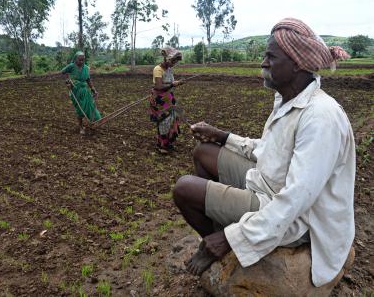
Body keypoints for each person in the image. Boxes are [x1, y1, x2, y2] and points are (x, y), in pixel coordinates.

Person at [173, 17, 355, 288]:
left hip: (294, 216)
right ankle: (221, 231)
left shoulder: (321, 118)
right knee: (204, 153)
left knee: (184, 189)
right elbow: (270, 150)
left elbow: (295, 202)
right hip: (268, 185)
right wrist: (223, 137)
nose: (263, 62)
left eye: (271, 56)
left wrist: (233, 237)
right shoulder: (288, 99)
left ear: (296, 64)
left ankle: (223, 241)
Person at [149, 47, 185, 153]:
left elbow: (170, 84)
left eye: (175, 62)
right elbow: (159, 87)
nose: (174, 64)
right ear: (166, 59)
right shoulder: (158, 69)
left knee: (171, 120)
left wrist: (176, 83)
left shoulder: (169, 69)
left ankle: (168, 143)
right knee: (163, 122)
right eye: (173, 61)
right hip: (160, 100)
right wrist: (173, 84)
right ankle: (161, 145)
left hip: (169, 98)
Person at [62, 51, 101, 134]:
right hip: (75, 90)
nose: (81, 62)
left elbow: (88, 80)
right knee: (80, 109)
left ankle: (92, 122)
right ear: (75, 59)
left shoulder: (86, 68)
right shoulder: (71, 66)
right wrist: (67, 80)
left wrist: (93, 89)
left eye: (83, 60)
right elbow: (63, 72)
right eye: (79, 60)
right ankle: (80, 127)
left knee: (90, 106)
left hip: (84, 90)